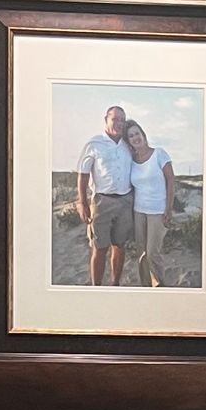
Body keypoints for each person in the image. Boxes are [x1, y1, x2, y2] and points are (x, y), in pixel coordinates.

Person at [73, 103, 135, 285]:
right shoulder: (94, 144)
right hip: (102, 202)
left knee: (120, 245)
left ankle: (115, 285)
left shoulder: (127, 145)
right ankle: (96, 287)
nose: (119, 123)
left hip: (125, 201)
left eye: (122, 120)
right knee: (100, 248)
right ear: (106, 120)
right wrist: (82, 203)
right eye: (115, 119)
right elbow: (83, 175)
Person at [124, 120, 175, 287]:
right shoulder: (131, 160)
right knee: (142, 252)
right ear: (129, 140)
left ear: (143, 134)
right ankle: (145, 286)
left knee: (153, 251)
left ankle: (160, 286)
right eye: (131, 136)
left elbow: (170, 180)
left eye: (137, 133)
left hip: (158, 210)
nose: (135, 137)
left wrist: (169, 207)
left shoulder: (159, 153)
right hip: (139, 211)